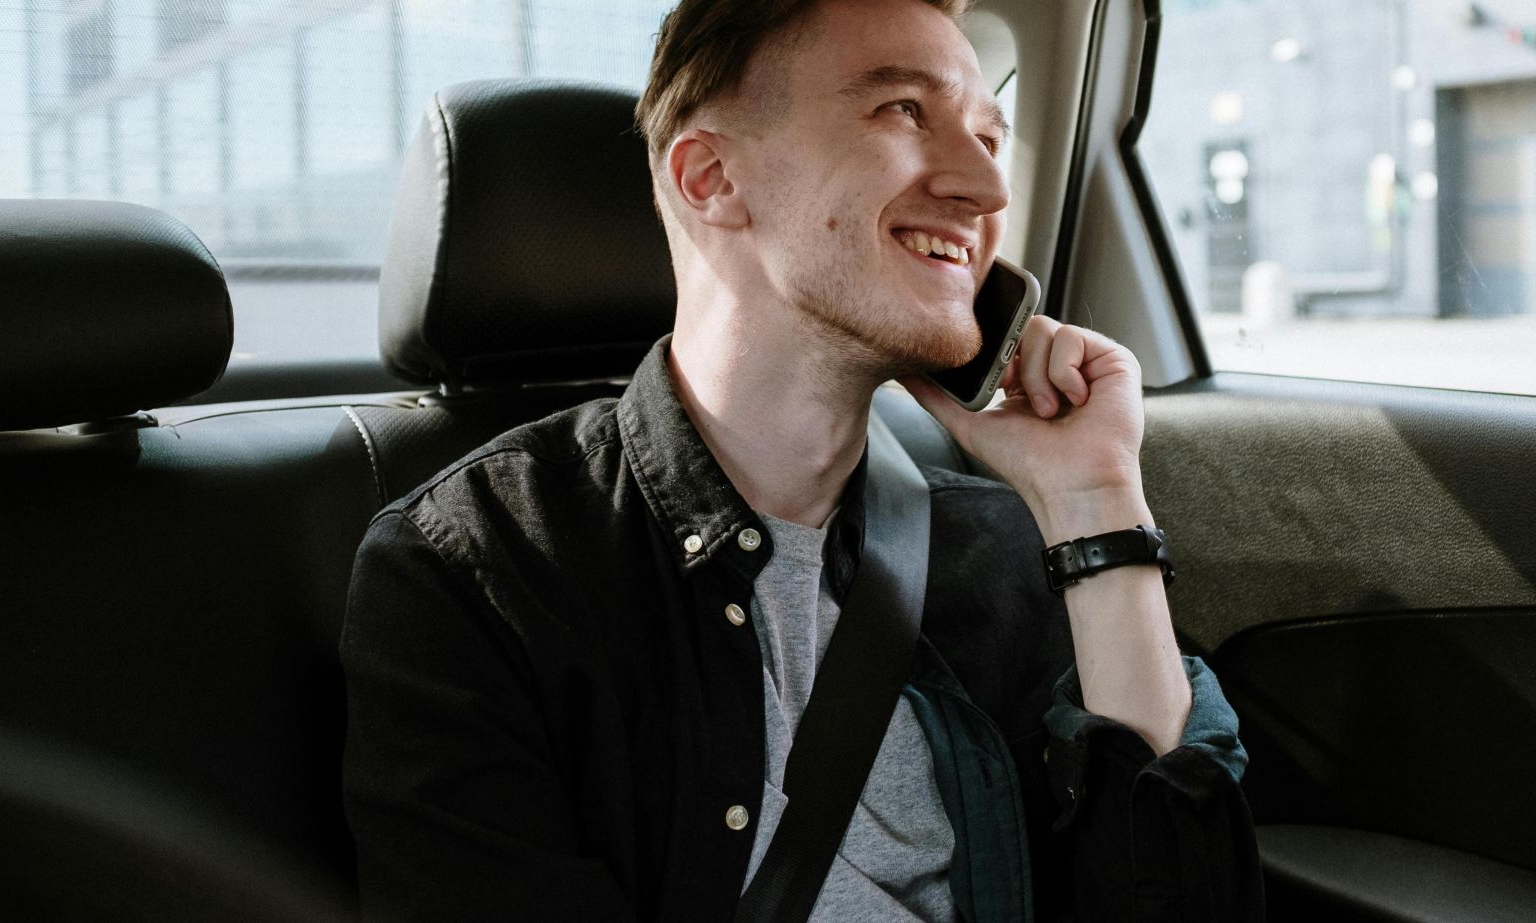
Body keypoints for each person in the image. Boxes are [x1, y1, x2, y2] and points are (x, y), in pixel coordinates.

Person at [339, 0, 1261, 918]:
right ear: (710, 178)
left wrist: (1095, 502)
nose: (988, 185)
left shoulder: (1012, 547)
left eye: (990, 132)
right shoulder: (481, 570)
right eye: (903, 110)